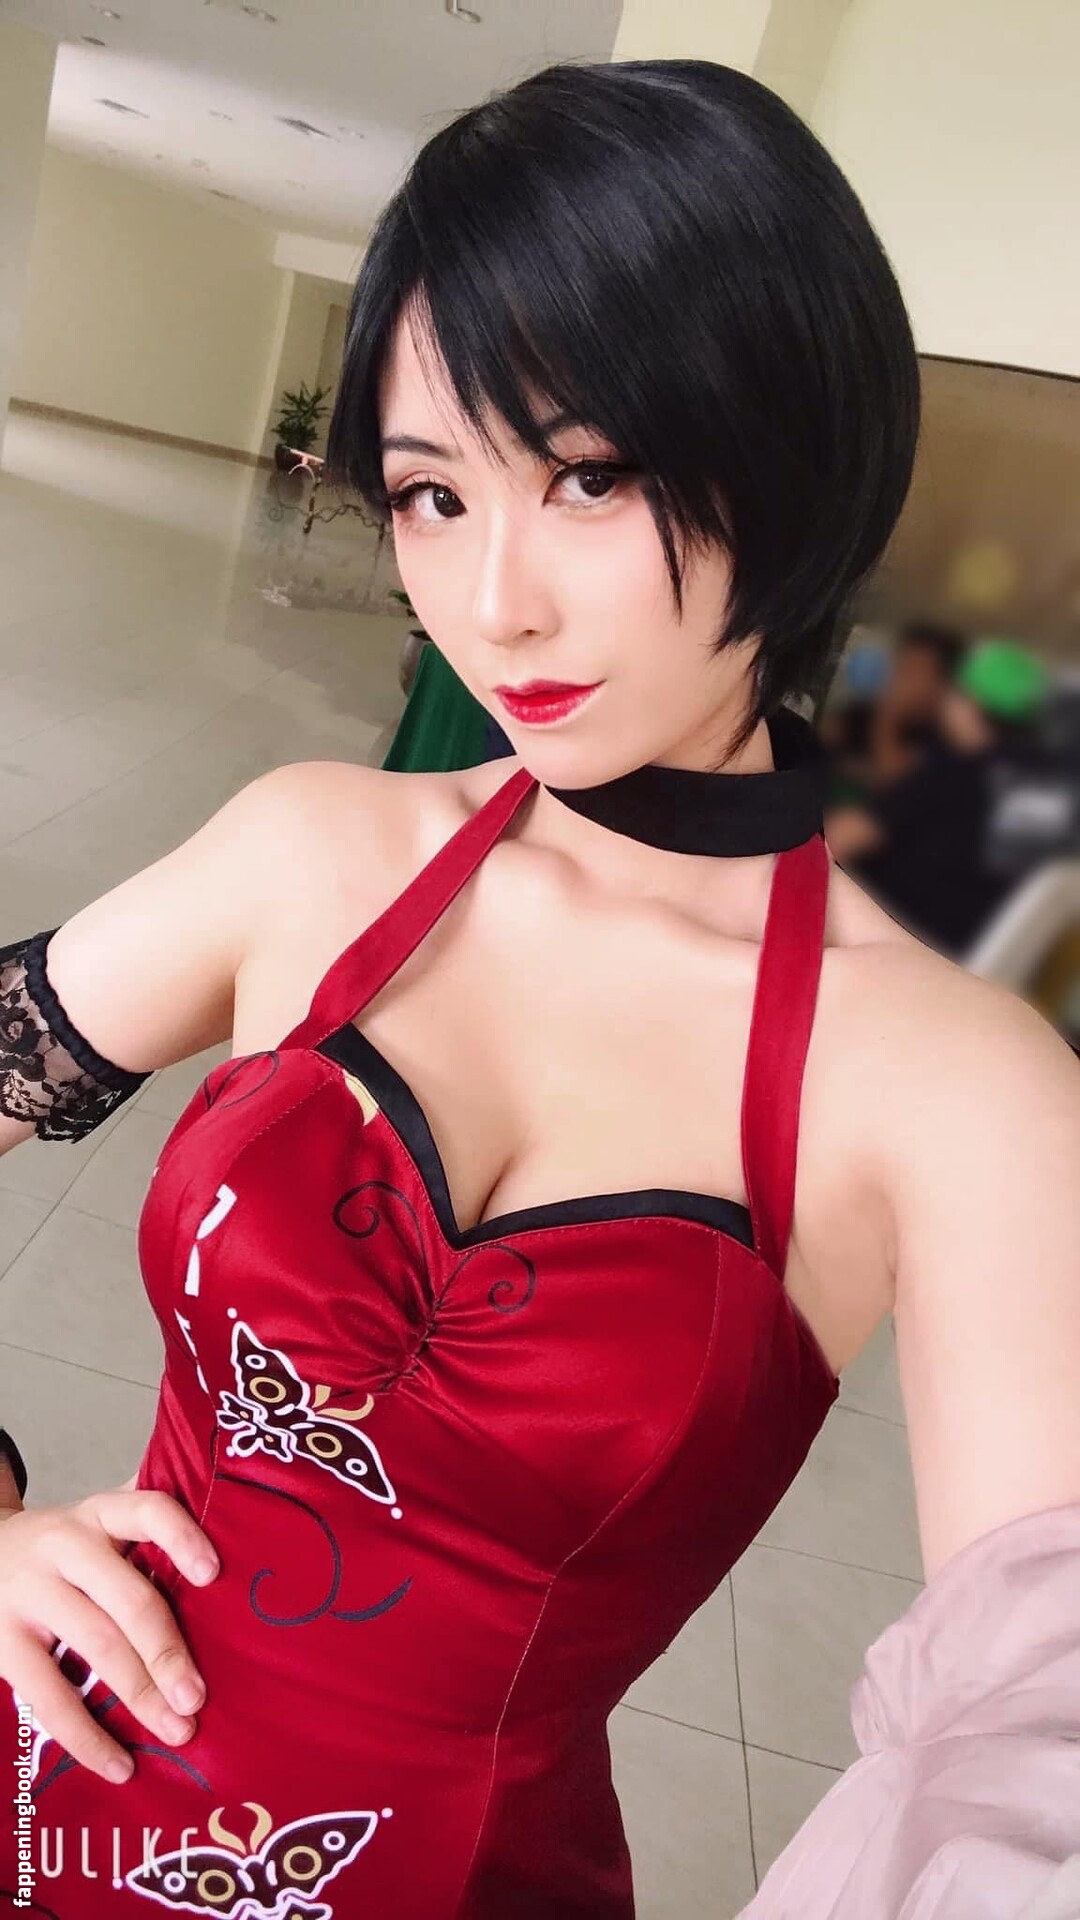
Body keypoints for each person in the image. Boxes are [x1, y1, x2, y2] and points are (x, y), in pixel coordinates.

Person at [0, 57, 1078, 1920]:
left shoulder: (954, 1082)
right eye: (431, 494)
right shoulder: (313, 851)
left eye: (589, 476)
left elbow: (1034, 1724)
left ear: (792, 444)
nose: (491, 603)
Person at [830, 636, 1055, 959]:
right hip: (965, 956)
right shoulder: (1037, 782)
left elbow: (840, 839)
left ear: (968, 702)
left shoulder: (957, 770)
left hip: (894, 939)